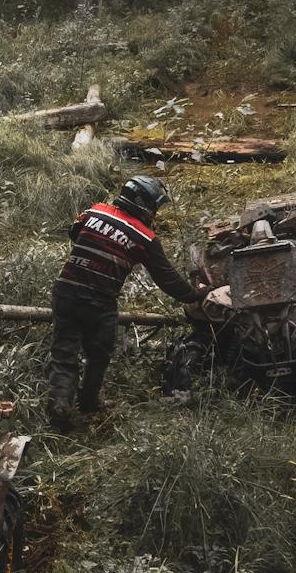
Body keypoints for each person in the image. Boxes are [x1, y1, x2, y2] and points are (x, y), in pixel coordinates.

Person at [46, 175, 206, 431]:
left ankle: (60, 406)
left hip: (66, 290)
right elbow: (166, 278)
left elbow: (74, 233)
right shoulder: (145, 237)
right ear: (144, 204)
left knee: (64, 352)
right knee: (99, 353)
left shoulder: (93, 211)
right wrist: (195, 295)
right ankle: (88, 402)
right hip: (100, 300)